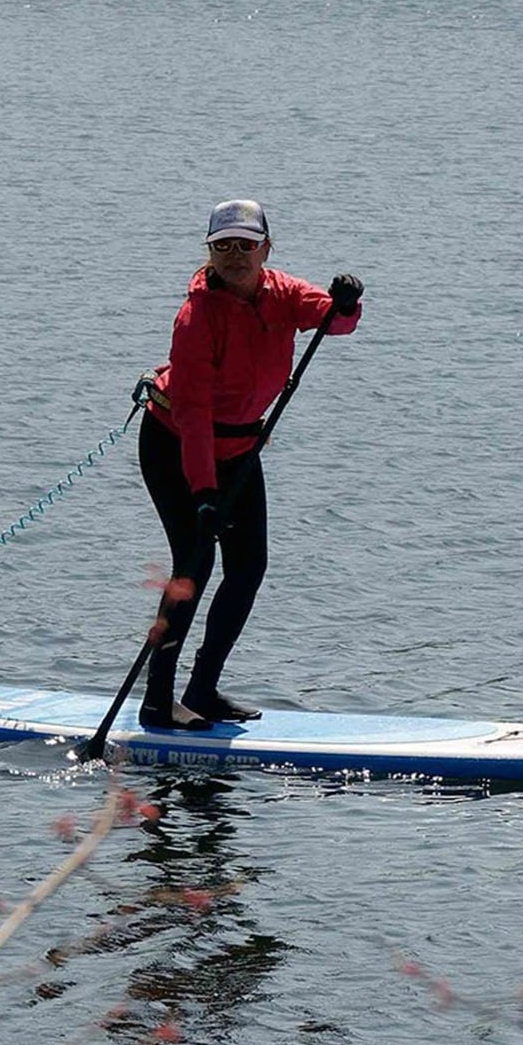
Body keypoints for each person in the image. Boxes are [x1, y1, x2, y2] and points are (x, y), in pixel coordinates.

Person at [136, 199, 362, 731]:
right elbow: (192, 415)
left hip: (239, 449)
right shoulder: (195, 318)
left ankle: (203, 689)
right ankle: (157, 700)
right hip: (176, 446)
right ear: (209, 253)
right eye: (223, 247)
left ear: (266, 248)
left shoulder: (282, 292)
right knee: (194, 569)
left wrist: (348, 304)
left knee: (248, 568)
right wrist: (204, 494)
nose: (234, 256)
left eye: (245, 245)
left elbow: (333, 323)